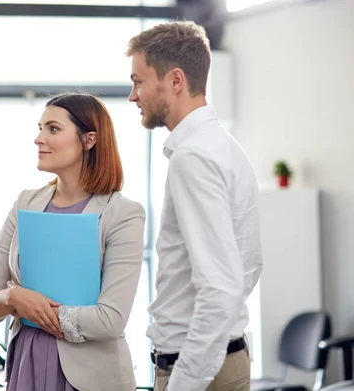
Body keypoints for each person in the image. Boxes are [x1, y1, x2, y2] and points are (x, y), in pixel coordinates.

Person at [0, 92, 146, 391]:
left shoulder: (123, 214)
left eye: (52, 129)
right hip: (27, 366)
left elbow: (110, 319)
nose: (39, 139)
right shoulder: (25, 203)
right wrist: (13, 298)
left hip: (91, 378)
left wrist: (32, 308)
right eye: (40, 128)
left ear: (88, 140)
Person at [126, 21, 263, 391]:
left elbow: (222, 286)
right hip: (220, 359)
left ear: (175, 80)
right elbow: (247, 266)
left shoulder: (194, 157)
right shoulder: (223, 147)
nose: (132, 96)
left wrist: (184, 382)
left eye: (138, 82)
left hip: (198, 369)